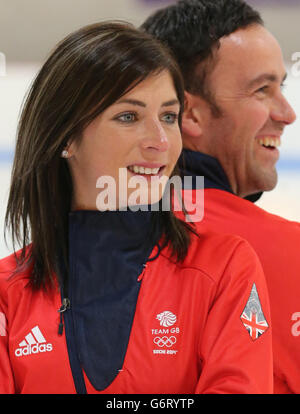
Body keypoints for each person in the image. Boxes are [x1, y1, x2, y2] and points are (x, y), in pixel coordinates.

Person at [0, 21, 272, 394]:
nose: (160, 142)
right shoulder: (6, 291)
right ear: (65, 137)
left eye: (168, 117)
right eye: (129, 117)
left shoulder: (224, 268)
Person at [142, 0, 300, 394]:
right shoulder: (287, 252)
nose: (286, 112)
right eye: (262, 89)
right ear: (189, 115)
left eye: (282, 86)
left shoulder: (73, 242)